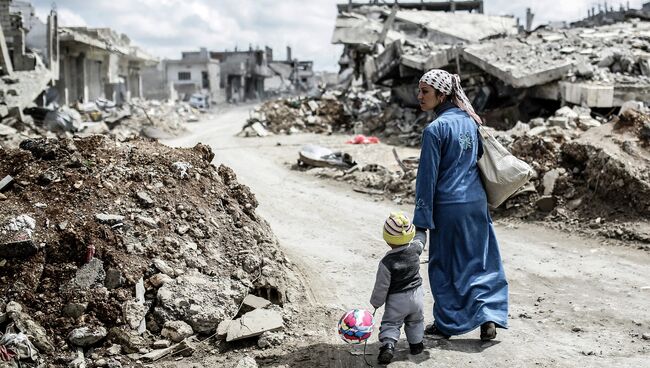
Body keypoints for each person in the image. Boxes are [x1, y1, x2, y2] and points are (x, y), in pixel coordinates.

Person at [412, 69, 509, 341]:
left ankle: (447, 323)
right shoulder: (470, 121)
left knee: (445, 266)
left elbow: (427, 179)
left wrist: (421, 222)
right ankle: (488, 314)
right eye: (419, 90)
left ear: (442, 95)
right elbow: (477, 157)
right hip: (476, 204)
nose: (420, 96)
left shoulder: (434, 130)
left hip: (449, 207)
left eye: (425, 92)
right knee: (480, 261)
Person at [370, 211, 427, 364]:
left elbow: (381, 286)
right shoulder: (415, 249)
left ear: (388, 239)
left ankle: (388, 346)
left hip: (397, 300)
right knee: (416, 321)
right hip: (417, 296)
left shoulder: (387, 262)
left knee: (391, 323)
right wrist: (421, 230)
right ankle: (416, 345)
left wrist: (376, 303)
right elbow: (421, 240)